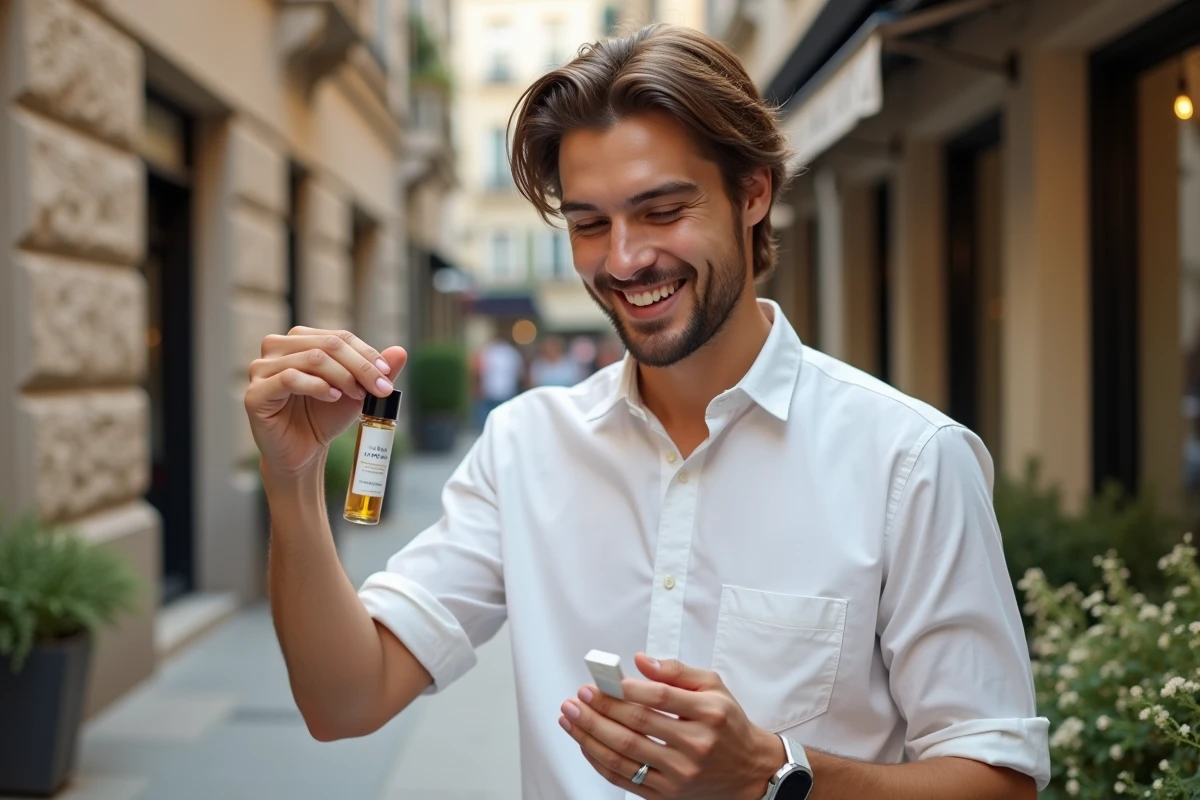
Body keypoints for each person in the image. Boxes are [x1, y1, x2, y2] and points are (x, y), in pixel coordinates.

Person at [244, 24, 1049, 800]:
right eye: (590, 223)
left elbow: (996, 777)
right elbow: (342, 702)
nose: (624, 260)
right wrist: (294, 479)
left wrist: (773, 774)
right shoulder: (525, 445)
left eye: (663, 211)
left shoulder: (909, 458)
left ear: (753, 194)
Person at [472, 331, 524, 429]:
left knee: (488, 424)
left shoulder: (488, 351)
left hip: (496, 391)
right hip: (499, 391)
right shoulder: (510, 352)